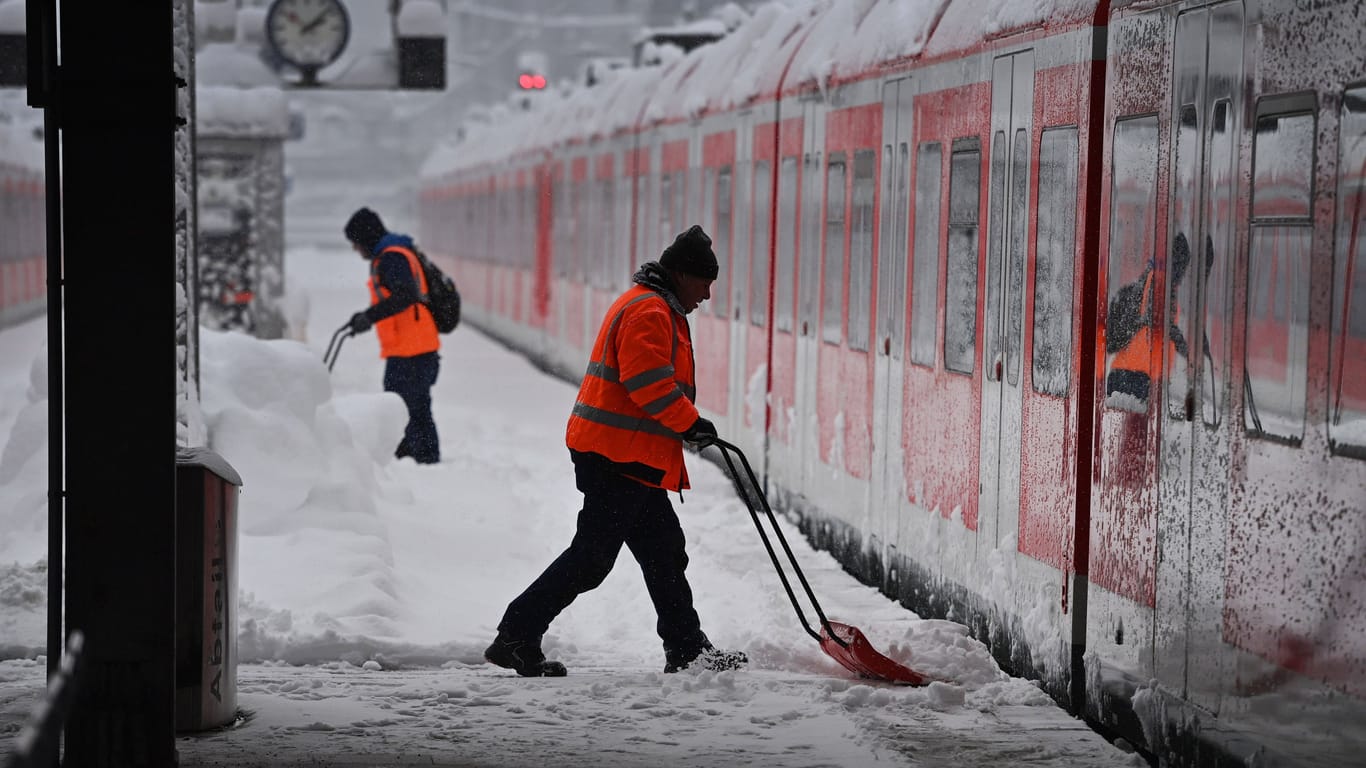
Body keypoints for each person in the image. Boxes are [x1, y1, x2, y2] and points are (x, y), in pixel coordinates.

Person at [484, 225, 747, 678]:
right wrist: (690, 424)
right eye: (705, 283)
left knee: (664, 552)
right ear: (683, 275)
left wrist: (687, 426)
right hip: (615, 457)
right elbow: (647, 383)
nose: (707, 295)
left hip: (628, 456)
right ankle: (515, 634)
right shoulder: (649, 310)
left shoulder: (654, 305)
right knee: (591, 559)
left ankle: (686, 649)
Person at [343, 207, 441, 464]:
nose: (356, 250)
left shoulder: (391, 258)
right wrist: (366, 317)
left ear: (365, 237)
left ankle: (423, 459)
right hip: (410, 346)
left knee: (408, 407)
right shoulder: (391, 254)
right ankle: (415, 456)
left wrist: (370, 316)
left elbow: (405, 295)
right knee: (411, 406)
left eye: (355, 243)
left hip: (413, 348)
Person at [1106, 232, 1194, 403]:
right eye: (1182, 266)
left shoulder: (1142, 283)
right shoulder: (1159, 283)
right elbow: (1161, 322)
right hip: (1139, 378)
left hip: (1124, 374)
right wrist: (1186, 350)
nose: (1182, 275)